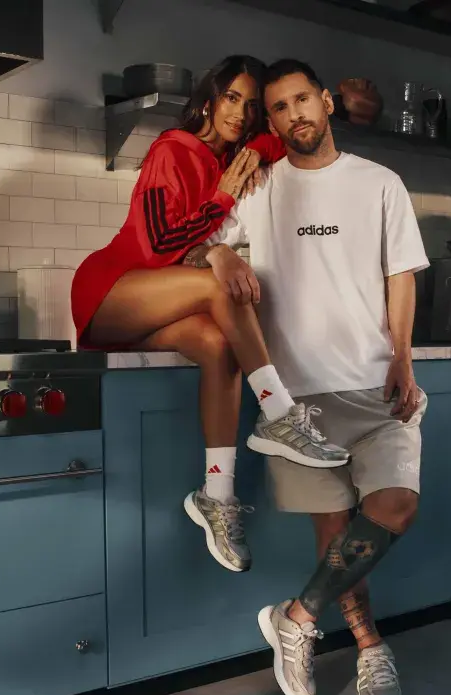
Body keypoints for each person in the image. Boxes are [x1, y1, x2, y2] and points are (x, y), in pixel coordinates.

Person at [200, 59, 430, 695]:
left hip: (378, 382)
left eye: (302, 99)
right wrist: (219, 253)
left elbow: (402, 276)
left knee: (395, 506)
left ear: (328, 102)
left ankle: (296, 616)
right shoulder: (259, 186)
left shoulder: (379, 182)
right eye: (278, 108)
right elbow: (196, 246)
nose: (293, 114)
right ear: (271, 121)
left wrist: (405, 360)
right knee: (339, 543)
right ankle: (370, 650)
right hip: (299, 406)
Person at [70, 56, 349, 575]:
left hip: (161, 303)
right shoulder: (172, 150)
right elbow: (158, 245)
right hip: (112, 289)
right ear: (209, 97)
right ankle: (280, 413)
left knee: (219, 346)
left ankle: (216, 495)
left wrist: (269, 140)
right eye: (231, 98)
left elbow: (272, 142)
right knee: (218, 284)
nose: (241, 114)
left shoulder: (238, 159)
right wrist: (218, 233)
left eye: (251, 105)